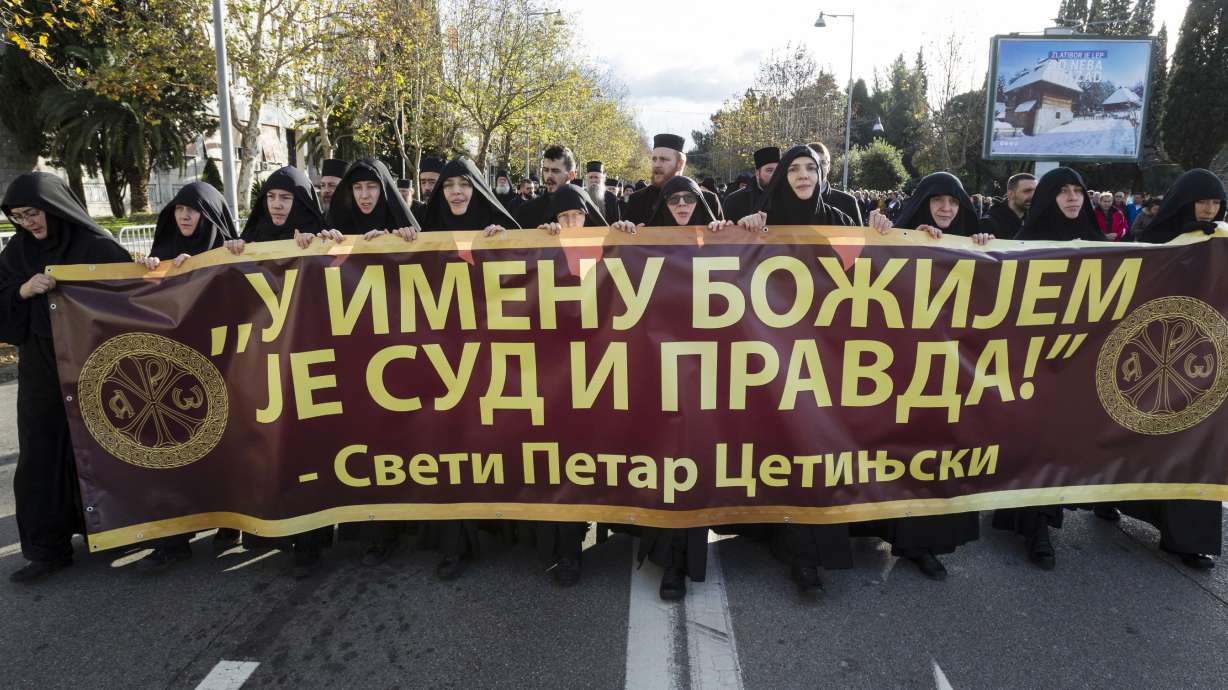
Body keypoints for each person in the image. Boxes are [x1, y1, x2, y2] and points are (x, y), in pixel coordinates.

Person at [1, 172, 132, 583]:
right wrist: (23, 291)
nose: (29, 223)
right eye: (18, 216)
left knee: (107, 443)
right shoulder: (16, 253)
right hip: (41, 364)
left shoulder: (95, 246)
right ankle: (47, 549)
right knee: (41, 450)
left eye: (34, 213)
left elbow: (136, 296)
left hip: (96, 362)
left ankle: (118, 530)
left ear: (53, 207)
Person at [1115, 172, 1224, 568]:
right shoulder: (1153, 240)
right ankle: (1109, 499)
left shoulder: (1221, 242)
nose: (1209, 209)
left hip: (1200, 363)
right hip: (1146, 358)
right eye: (1202, 202)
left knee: (1196, 448)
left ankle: (1189, 539)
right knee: (1132, 436)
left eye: (1215, 202)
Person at [131, 182, 241, 570]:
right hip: (175, 377)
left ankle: (233, 523)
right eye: (179, 208)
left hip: (227, 371)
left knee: (228, 453)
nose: (184, 216)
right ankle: (172, 541)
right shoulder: (160, 255)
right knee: (173, 455)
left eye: (193, 209)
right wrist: (148, 274)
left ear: (210, 215)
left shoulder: (233, 254)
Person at [868, 171, 995, 245]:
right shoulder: (895, 239)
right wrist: (874, 237)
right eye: (937, 199)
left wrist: (987, 249)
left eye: (954, 201)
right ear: (923, 204)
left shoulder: (972, 241)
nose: (946, 208)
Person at [623, 134, 722, 225]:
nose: (656, 165)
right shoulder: (637, 200)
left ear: (680, 163)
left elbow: (724, 240)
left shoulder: (709, 200)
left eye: (663, 159)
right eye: (654, 159)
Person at [230, 166, 328, 252]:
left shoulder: (320, 235)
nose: (276, 205)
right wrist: (235, 248)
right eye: (271, 196)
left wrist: (315, 244)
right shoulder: (251, 236)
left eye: (285, 197)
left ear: (300, 203)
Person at [512, 145, 580, 229]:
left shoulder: (583, 211)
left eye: (555, 171)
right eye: (546, 170)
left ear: (571, 175)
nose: (549, 176)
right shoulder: (526, 210)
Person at [808, 142, 863, 225]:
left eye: (822, 162)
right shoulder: (788, 202)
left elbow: (859, 237)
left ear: (829, 167)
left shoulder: (848, 202)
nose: (818, 167)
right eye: (813, 162)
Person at [721, 146, 779, 225]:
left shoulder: (788, 198)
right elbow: (726, 234)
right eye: (769, 170)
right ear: (758, 173)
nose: (775, 175)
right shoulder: (734, 200)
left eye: (778, 170)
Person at [983, 173, 1035, 238]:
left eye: (1036, 191)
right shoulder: (990, 223)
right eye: (1027, 191)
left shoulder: (1034, 221)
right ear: (1011, 194)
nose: (1033, 196)